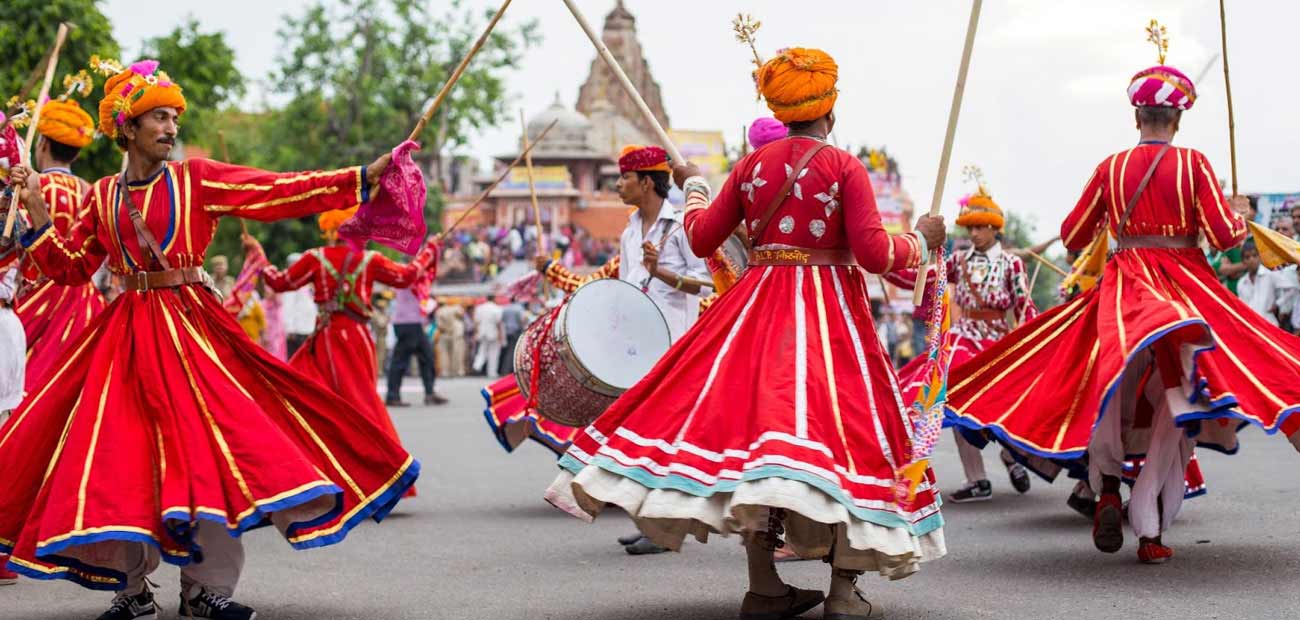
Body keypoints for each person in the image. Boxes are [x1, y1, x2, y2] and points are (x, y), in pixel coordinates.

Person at [2, 57, 417, 619]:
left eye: (174, 117)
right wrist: (34, 209)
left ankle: (204, 589)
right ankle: (132, 591)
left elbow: (277, 191)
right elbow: (70, 268)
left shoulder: (195, 179)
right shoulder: (101, 196)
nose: (171, 127)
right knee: (120, 458)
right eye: (159, 117)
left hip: (195, 335)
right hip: (124, 338)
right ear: (127, 127)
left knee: (211, 453)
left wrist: (359, 178)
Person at [545, 48, 947, 619]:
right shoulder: (844, 166)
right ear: (830, 110)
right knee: (851, 435)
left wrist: (695, 187)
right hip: (830, 316)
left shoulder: (751, 167)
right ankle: (843, 593)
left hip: (757, 311)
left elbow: (702, 237)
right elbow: (876, 254)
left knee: (757, 440)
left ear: (781, 112)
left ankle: (764, 587)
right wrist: (923, 238)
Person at [945, 38, 1300, 565]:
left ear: (1137, 117)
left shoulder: (1111, 168)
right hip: (1185, 290)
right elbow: (1226, 237)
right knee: (1180, 395)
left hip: (1123, 290)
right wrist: (1238, 211)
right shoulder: (1195, 164)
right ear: (1178, 119)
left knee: (1107, 380)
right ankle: (1150, 528)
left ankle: (1106, 486)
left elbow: (1073, 235)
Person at [262, 207, 439, 498]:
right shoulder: (370, 260)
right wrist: (430, 249)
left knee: (317, 403)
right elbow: (407, 276)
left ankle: (335, 474)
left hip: (326, 339)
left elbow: (279, 282)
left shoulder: (314, 258)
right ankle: (378, 476)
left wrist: (259, 258)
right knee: (362, 403)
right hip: (358, 338)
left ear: (329, 229)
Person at [887, 181, 1037, 503]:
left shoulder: (1012, 264)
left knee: (1006, 404)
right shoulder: (957, 261)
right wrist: (885, 261)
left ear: (994, 228)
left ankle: (1011, 457)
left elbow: (1024, 307)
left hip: (998, 344)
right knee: (951, 396)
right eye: (970, 228)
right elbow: (919, 278)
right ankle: (977, 479)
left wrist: (1035, 343)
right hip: (963, 340)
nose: (974, 234)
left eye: (980, 227)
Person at [14, 73, 107, 391]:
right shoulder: (93, 191)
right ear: (77, 154)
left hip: (35, 298)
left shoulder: (31, 187)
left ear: (41, 143)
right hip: (86, 302)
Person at [385, 287, 446, 406]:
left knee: (427, 357)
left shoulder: (418, 281)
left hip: (415, 322)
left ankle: (430, 393)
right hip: (408, 322)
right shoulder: (408, 278)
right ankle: (392, 396)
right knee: (400, 361)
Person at [279, 252, 317, 356]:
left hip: (308, 328)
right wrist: (289, 328)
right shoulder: (291, 284)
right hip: (297, 331)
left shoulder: (306, 283)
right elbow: (288, 306)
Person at [1236, 239, 1279, 325]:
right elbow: (1242, 307)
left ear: (1259, 257)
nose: (1251, 259)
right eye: (1247, 257)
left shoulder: (1270, 276)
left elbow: (1289, 289)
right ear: (1243, 261)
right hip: (1251, 326)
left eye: (1254, 255)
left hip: (1269, 323)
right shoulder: (1241, 283)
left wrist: (1278, 304)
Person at [471, 295, 504, 378]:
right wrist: (500, 336)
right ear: (494, 299)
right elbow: (498, 323)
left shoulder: (479, 308)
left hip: (482, 332)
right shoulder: (497, 308)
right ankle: (492, 372)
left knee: (482, 351)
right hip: (493, 332)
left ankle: (477, 366)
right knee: (494, 353)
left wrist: (476, 333)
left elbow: (476, 322)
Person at [434, 302, 467, 377]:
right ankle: (455, 370)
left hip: (444, 333)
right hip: (454, 334)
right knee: (455, 353)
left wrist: (445, 329)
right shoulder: (456, 308)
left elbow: (439, 325)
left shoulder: (439, 311)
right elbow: (461, 314)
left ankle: (445, 371)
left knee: (444, 354)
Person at [260, 280, 287, 360]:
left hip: (277, 336)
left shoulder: (278, 304)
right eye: (266, 291)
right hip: (266, 335)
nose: (267, 293)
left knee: (277, 355)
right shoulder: (263, 304)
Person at [498, 296, 525, 375]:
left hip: (507, 332)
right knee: (514, 351)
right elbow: (521, 320)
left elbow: (502, 320)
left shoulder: (505, 308)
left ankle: (505, 369)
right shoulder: (519, 308)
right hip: (516, 331)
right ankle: (510, 370)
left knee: (508, 351)